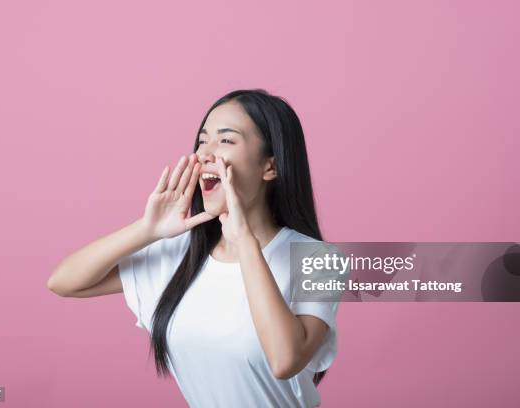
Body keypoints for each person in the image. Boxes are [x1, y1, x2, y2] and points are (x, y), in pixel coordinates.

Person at [47, 89, 343, 407]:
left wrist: (244, 240)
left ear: (270, 166)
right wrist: (147, 230)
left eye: (226, 140)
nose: (205, 153)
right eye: (202, 141)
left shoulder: (319, 260)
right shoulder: (179, 254)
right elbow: (63, 282)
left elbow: (285, 361)